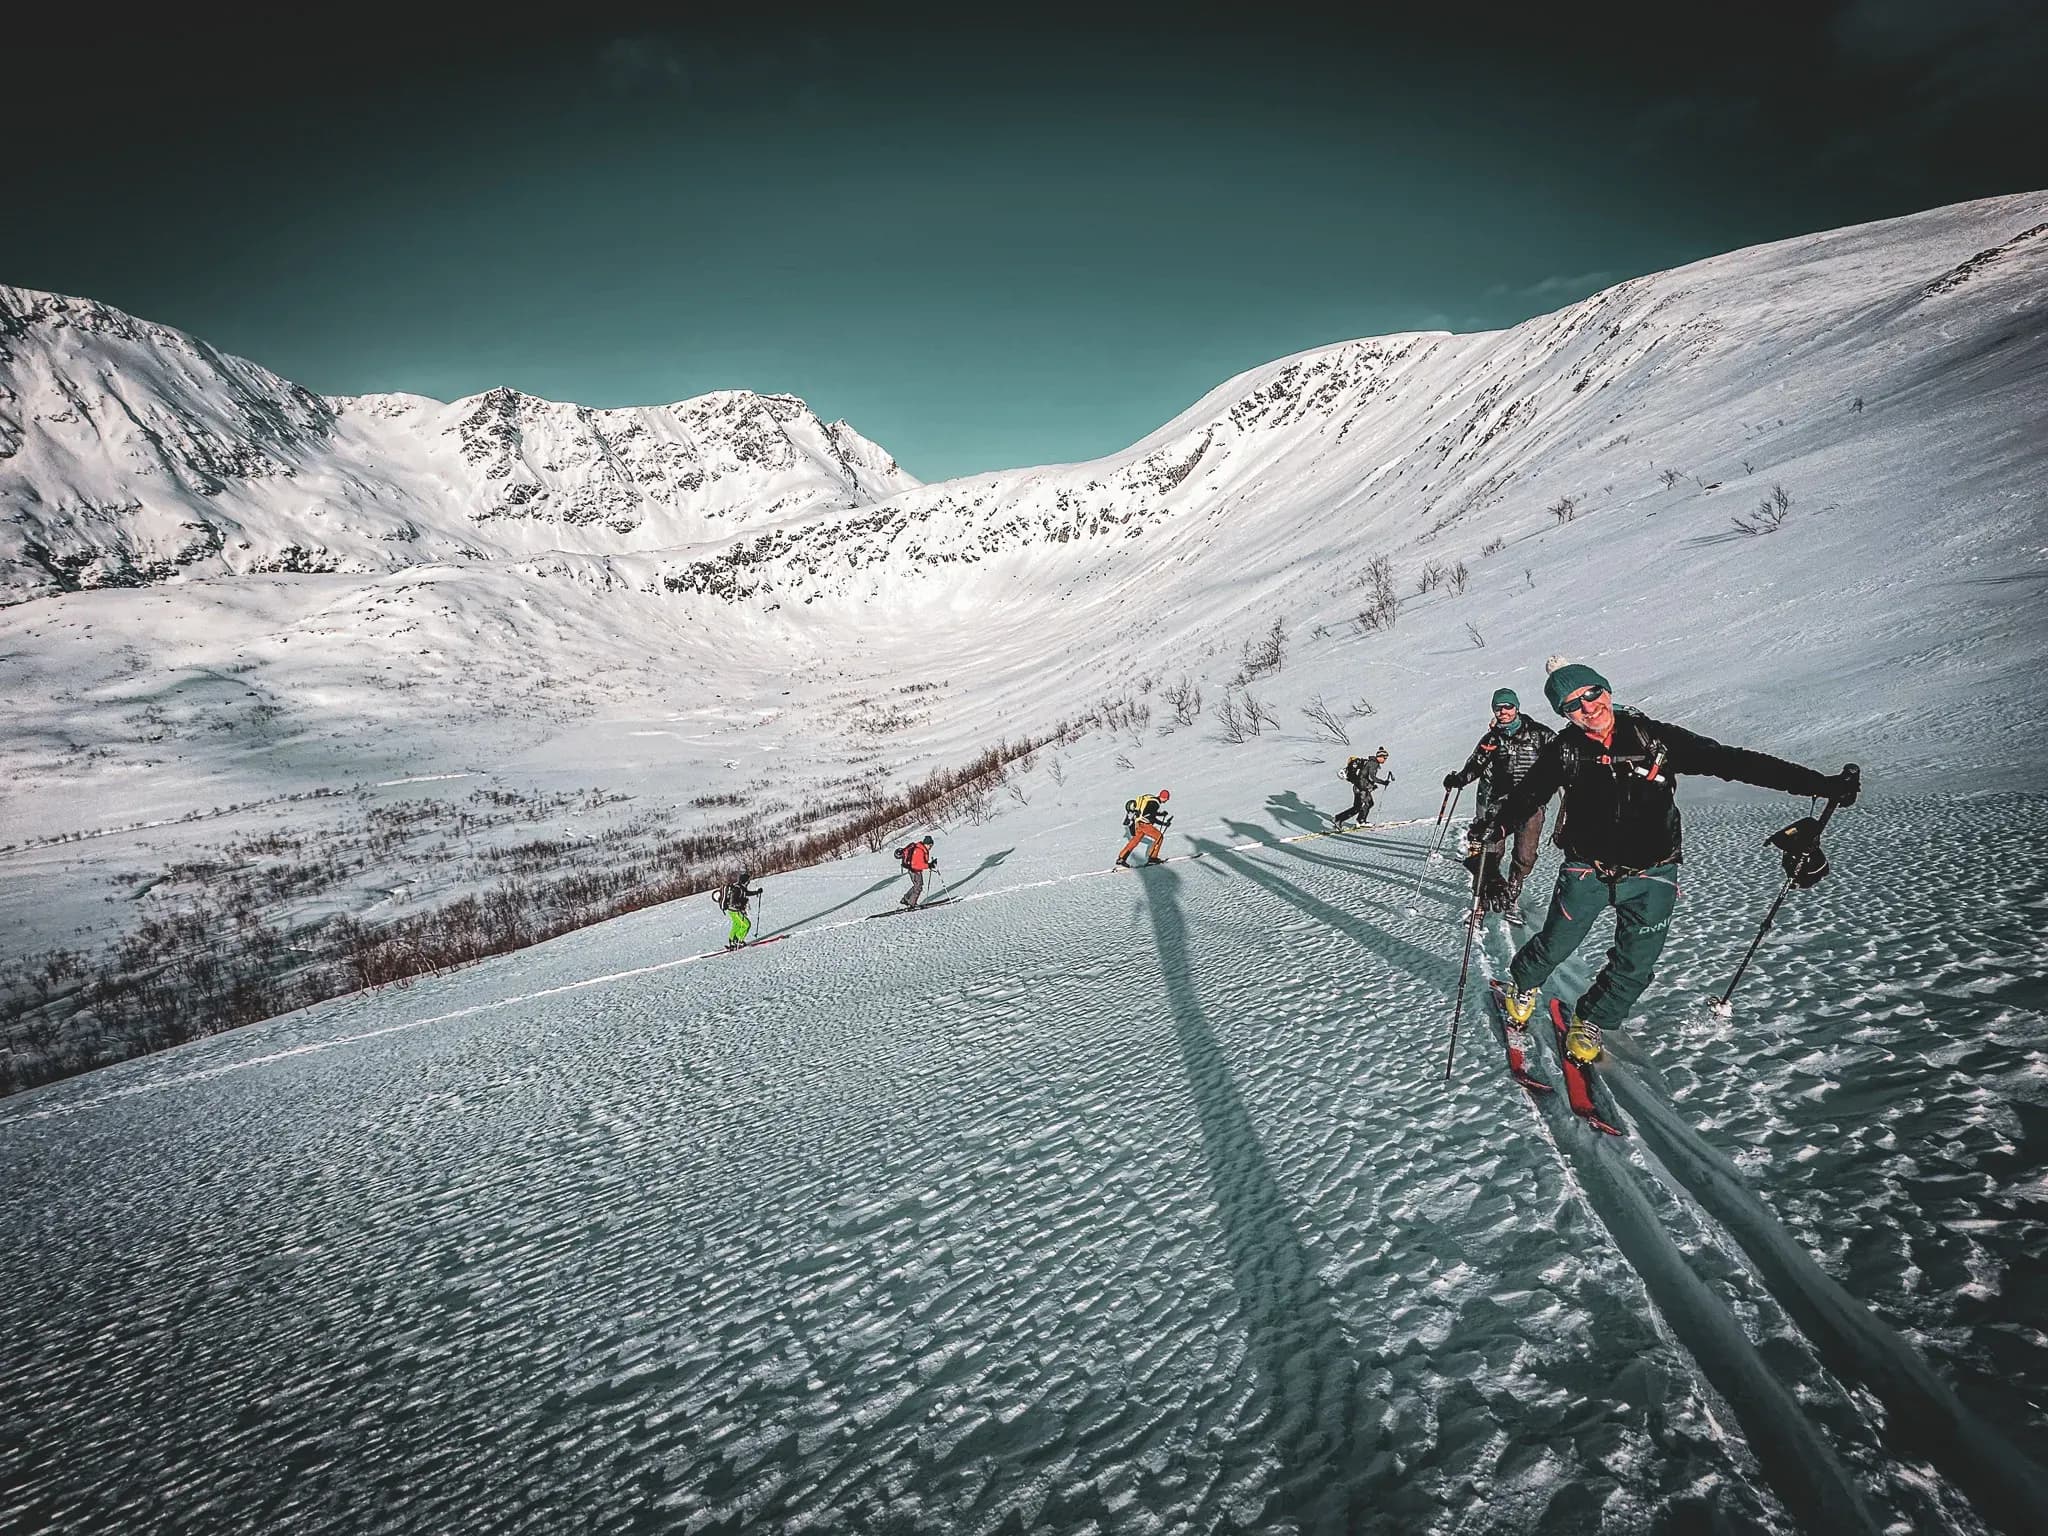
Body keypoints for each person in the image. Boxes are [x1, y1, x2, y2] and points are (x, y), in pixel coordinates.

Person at [1480, 661, 1858, 1064]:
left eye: (1592, 694)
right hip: (1587, 870)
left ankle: (1591, 1018)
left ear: (1606, 690)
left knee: (1636, 964)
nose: (1588, 708)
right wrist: (1496, 827)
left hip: (1654, 873)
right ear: (1563, 714)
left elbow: (1732, 762)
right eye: (1573, 705)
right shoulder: (1565, 750)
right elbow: (1528, 796)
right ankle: (1523, 983)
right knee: (1555, 944)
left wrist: (1820, 784)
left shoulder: (1653, 738)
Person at [1443, 689, 1555, 916]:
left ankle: (1513, 887)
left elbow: (1561, 760)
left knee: (1526, 855)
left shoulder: (1540, 734)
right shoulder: (1492, 740)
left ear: (1517, 707)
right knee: (1490, 852)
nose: (1503, 711)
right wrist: (1459, 779)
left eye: (1507, 707)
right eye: (1498, 708)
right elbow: (1476, 765)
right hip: (1498, 804)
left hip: (1530, 805)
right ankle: (1482, 896)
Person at [1333, 748, 1393, 829]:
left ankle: (1338, 818)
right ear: (1379, 756)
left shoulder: (1370, 762)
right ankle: (1361, 821)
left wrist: (1371, 785)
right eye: (1384, 758)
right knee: (1369, 803)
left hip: (1358, 786)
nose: (1385, 760)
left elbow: (1365, 776)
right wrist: (1383, 782)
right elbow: (1372, 777)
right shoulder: (1373, 764)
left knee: (1357, 807)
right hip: (1362, 788)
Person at [1117, 789, 1173, 866]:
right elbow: (1150, 816)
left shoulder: (1151, 799)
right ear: (1164, 798)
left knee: (1134, 841)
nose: (1166, 800)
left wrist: (1161, 814)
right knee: (1159, 837)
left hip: (1138, 823)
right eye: (1167, 799)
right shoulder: (1155, 803)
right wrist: (1163, 823)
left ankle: (1121, 858)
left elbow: (1148, 812)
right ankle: (1153, 858)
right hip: (1145, 825)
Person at [714, 872, 763, 950]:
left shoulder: (740, 887)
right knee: (746, 924)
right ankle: (739, 940)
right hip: (735, 910)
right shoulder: (737, 889)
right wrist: (741, 903)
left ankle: (732, 940)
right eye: (748, 881)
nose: (749, 882)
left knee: (737, 924)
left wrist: (756, 892)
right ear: (745, 881)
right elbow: (733, 902)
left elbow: (746, 893)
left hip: (732, 911)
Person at [895, 835, 939, 908]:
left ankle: (905, 899)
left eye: (931, 845)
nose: (930, 847)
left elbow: (921, 862)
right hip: (914, 870)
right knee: (918, 887)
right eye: (930, 845)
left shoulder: (922, 849)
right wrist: (929, 865)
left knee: (917, 885)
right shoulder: (919, 851)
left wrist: (930, 864)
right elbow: (918, 864)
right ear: (926, 844)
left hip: (914, 870)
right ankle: (911, 903)